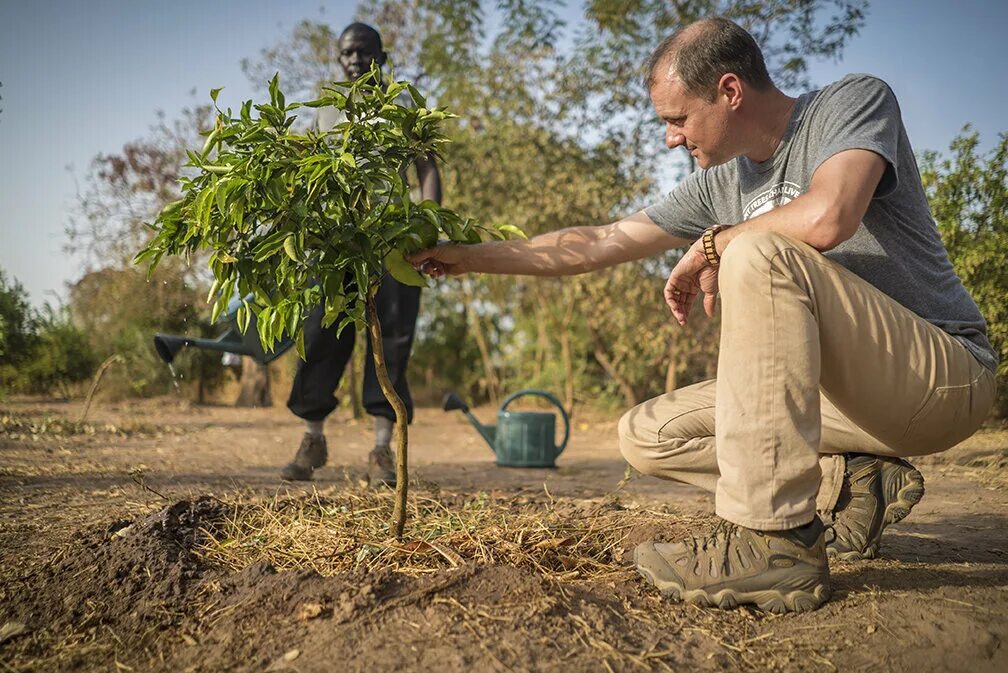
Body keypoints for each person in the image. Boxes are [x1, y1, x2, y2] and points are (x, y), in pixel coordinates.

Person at [409, 17, 998, 612]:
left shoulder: (849, 103)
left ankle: (775, 544)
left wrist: (720, 243)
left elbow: (830, 215)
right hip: (849, 407)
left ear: (730, 91)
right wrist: (466, 258)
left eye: (676, 119)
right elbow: (599, 241)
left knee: (758, 254)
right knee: (646, 435)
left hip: (941, 375)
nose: (670, 138)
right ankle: (848, 482)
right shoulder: (720, 184)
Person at [281, 22, 442, 484]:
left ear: (382, 57)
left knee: (391, 338)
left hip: (391, 239)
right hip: (334, 241)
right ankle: (313, 438)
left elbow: (426, 168)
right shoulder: (325, 106)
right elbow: (304, 168)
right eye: (346, 54)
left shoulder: (403, 103)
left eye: (363, 52)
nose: (354, 61)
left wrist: (427, 221)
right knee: (319, 333)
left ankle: (380, 450)